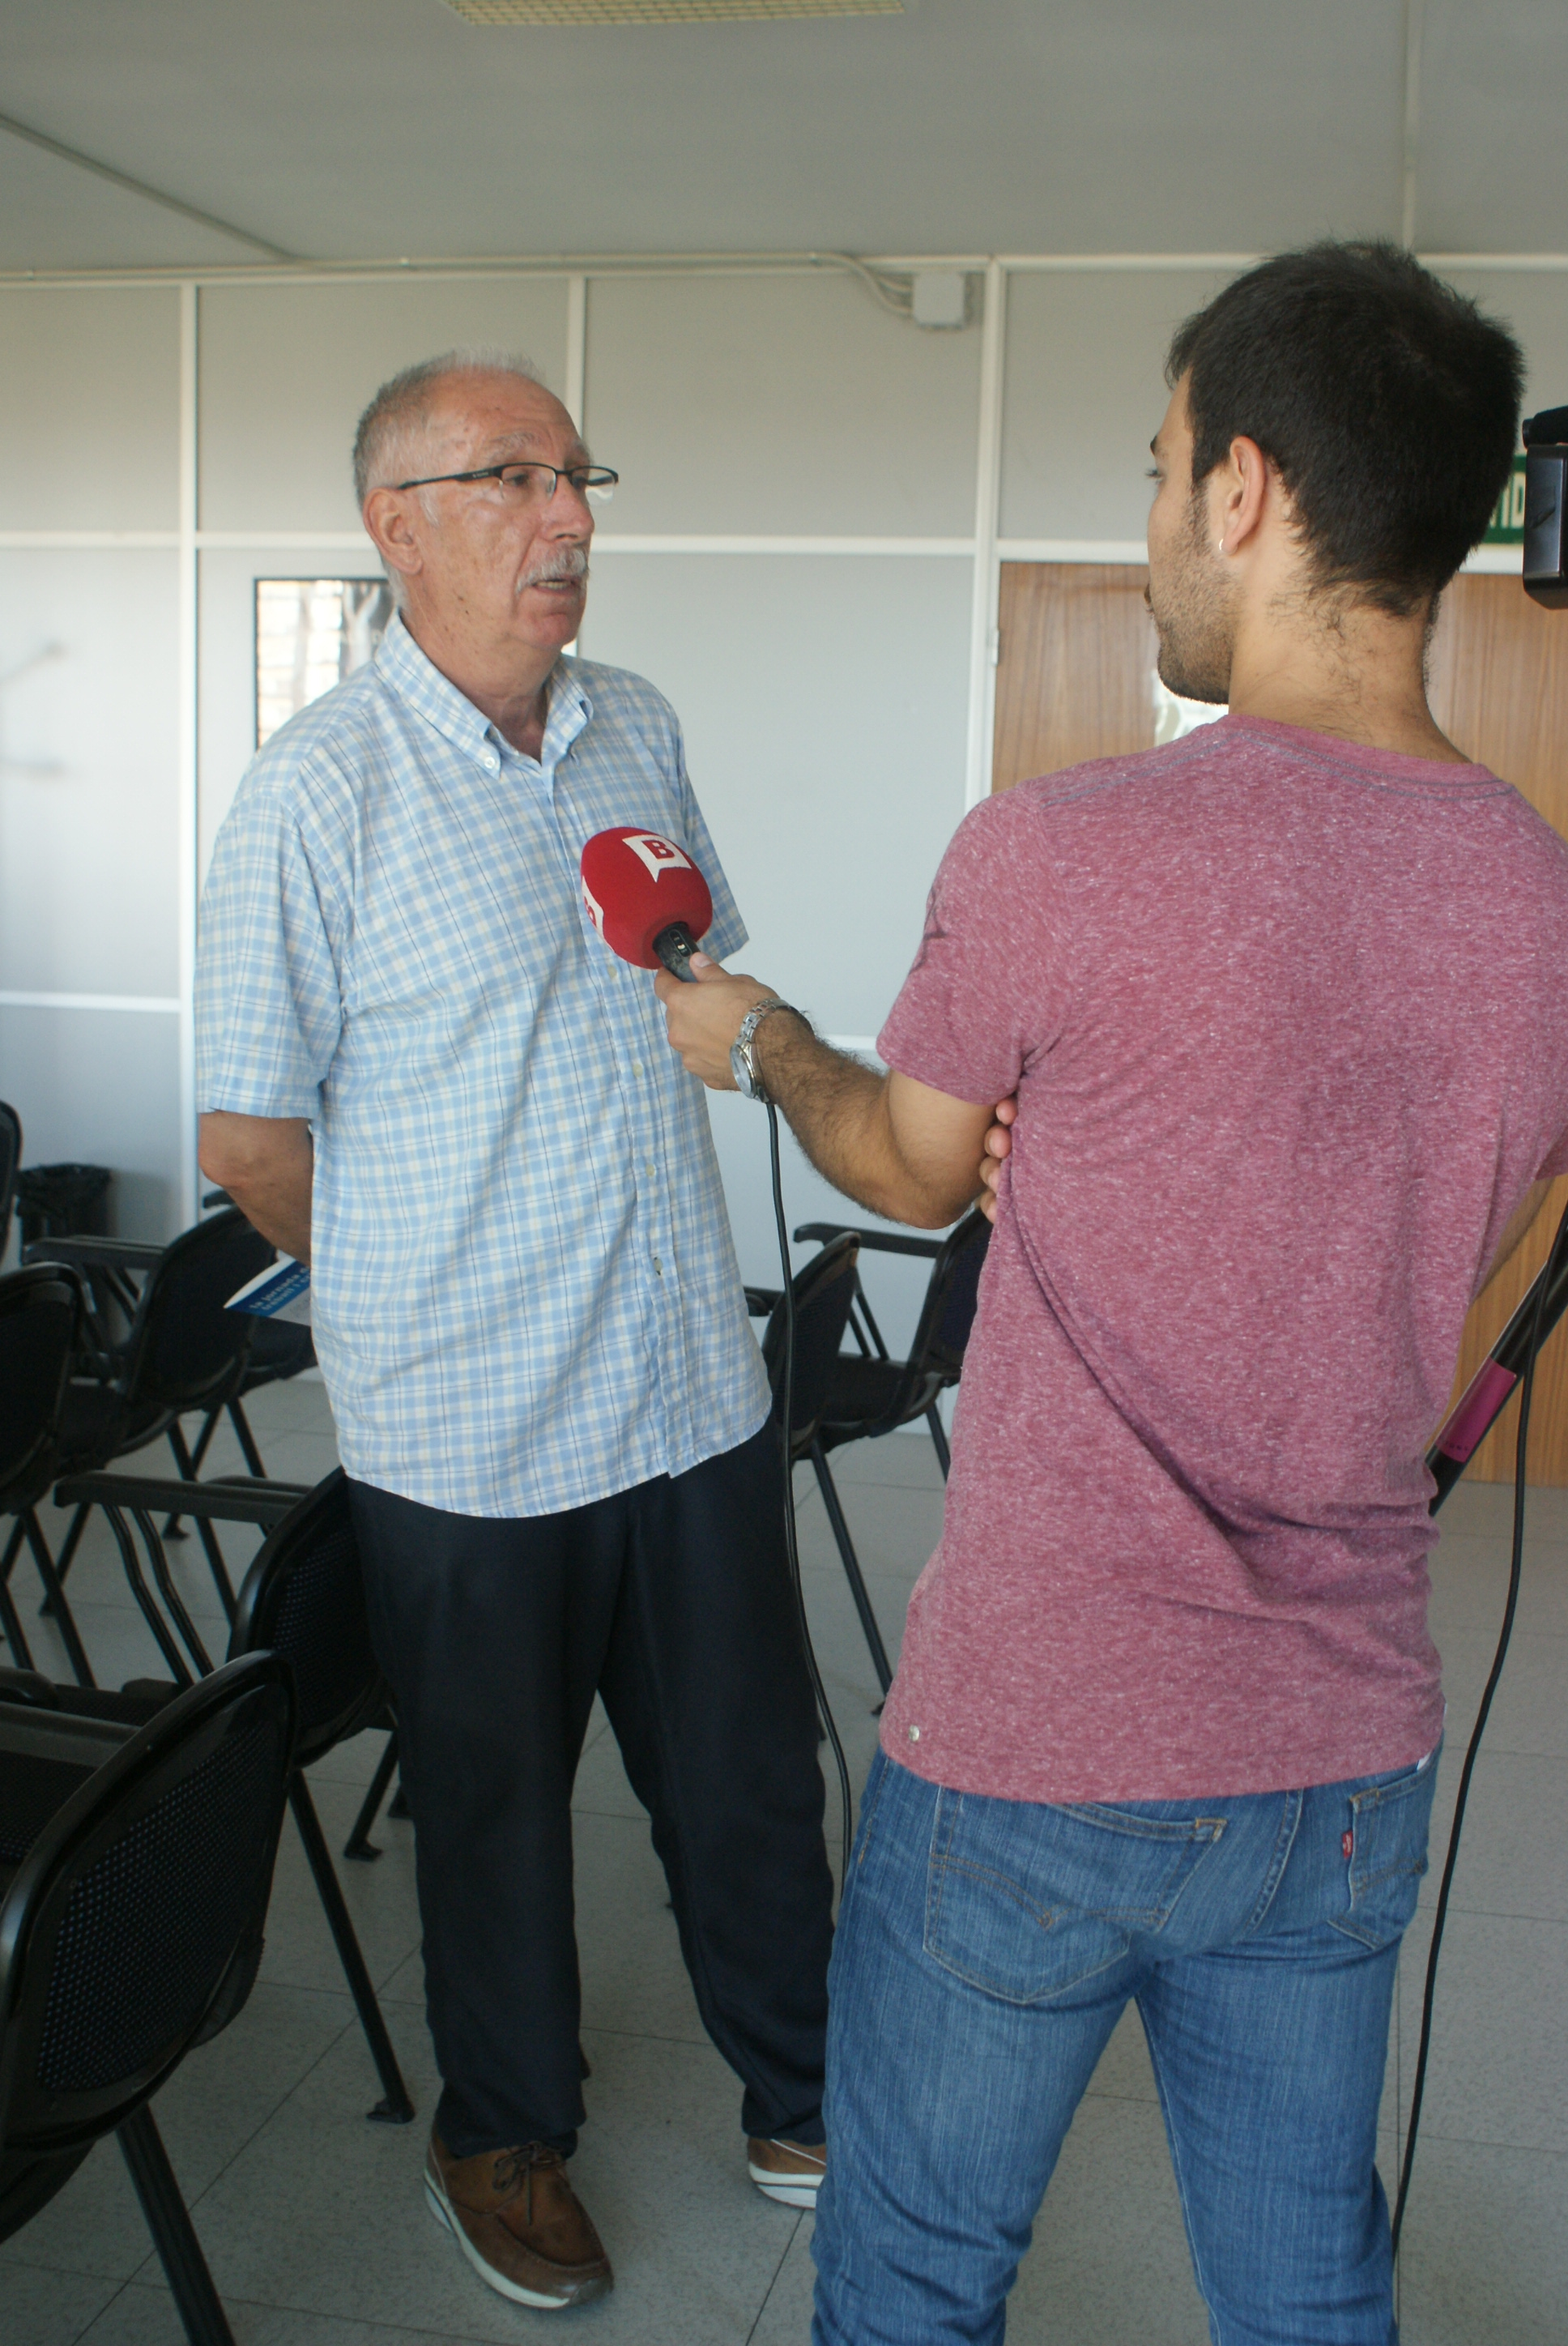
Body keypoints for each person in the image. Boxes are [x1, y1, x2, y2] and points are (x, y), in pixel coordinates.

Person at [654, 243, 1568, 2344]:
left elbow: (909, 1163)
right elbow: (1469, 1222)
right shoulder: (1539, 896)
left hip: (1037, 1742)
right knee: (1306, 2288)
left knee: (913, 2279)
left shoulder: (1058, 847)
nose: (1152, 515)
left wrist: (766, 1044)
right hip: (1337, 1755)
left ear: (1242, 490)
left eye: (1158, 468)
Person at [194, 350, 834, 2315]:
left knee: (745, 1774)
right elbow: (247, 1137)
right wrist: (411, 1297)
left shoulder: (635, 722)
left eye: (576, 479)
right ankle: (499, 2134)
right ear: (396, 528)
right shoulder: (313, 791)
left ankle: (805, 2085)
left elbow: (686, 975)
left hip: (684, 1383)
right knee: (489, 1813)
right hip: (466, 1431)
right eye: (513, 478)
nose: (567, 518)